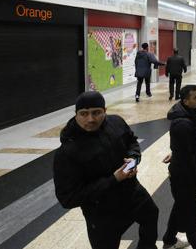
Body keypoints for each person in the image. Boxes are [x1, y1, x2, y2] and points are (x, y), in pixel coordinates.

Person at [54, 91, 158, 249]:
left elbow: (132, 142)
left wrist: (133, 159)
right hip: (102, 213)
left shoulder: (116, 123)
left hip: (132, 193)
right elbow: (67, 198)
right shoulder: (67, 152)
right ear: (76, 114)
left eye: (96, 113)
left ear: (105, 111)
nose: (90, 119)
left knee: (151, 215)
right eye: (84, 114)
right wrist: (114, 179)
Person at [162, 85, 196, 249]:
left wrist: (175, 152)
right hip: (183, 175)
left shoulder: (190, 114)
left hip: (182, 168)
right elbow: (188, 157)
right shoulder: (183, 124)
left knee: (180, 207)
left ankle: (168, 241)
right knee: (191, 214)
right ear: (186, 101)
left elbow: (186, 147)